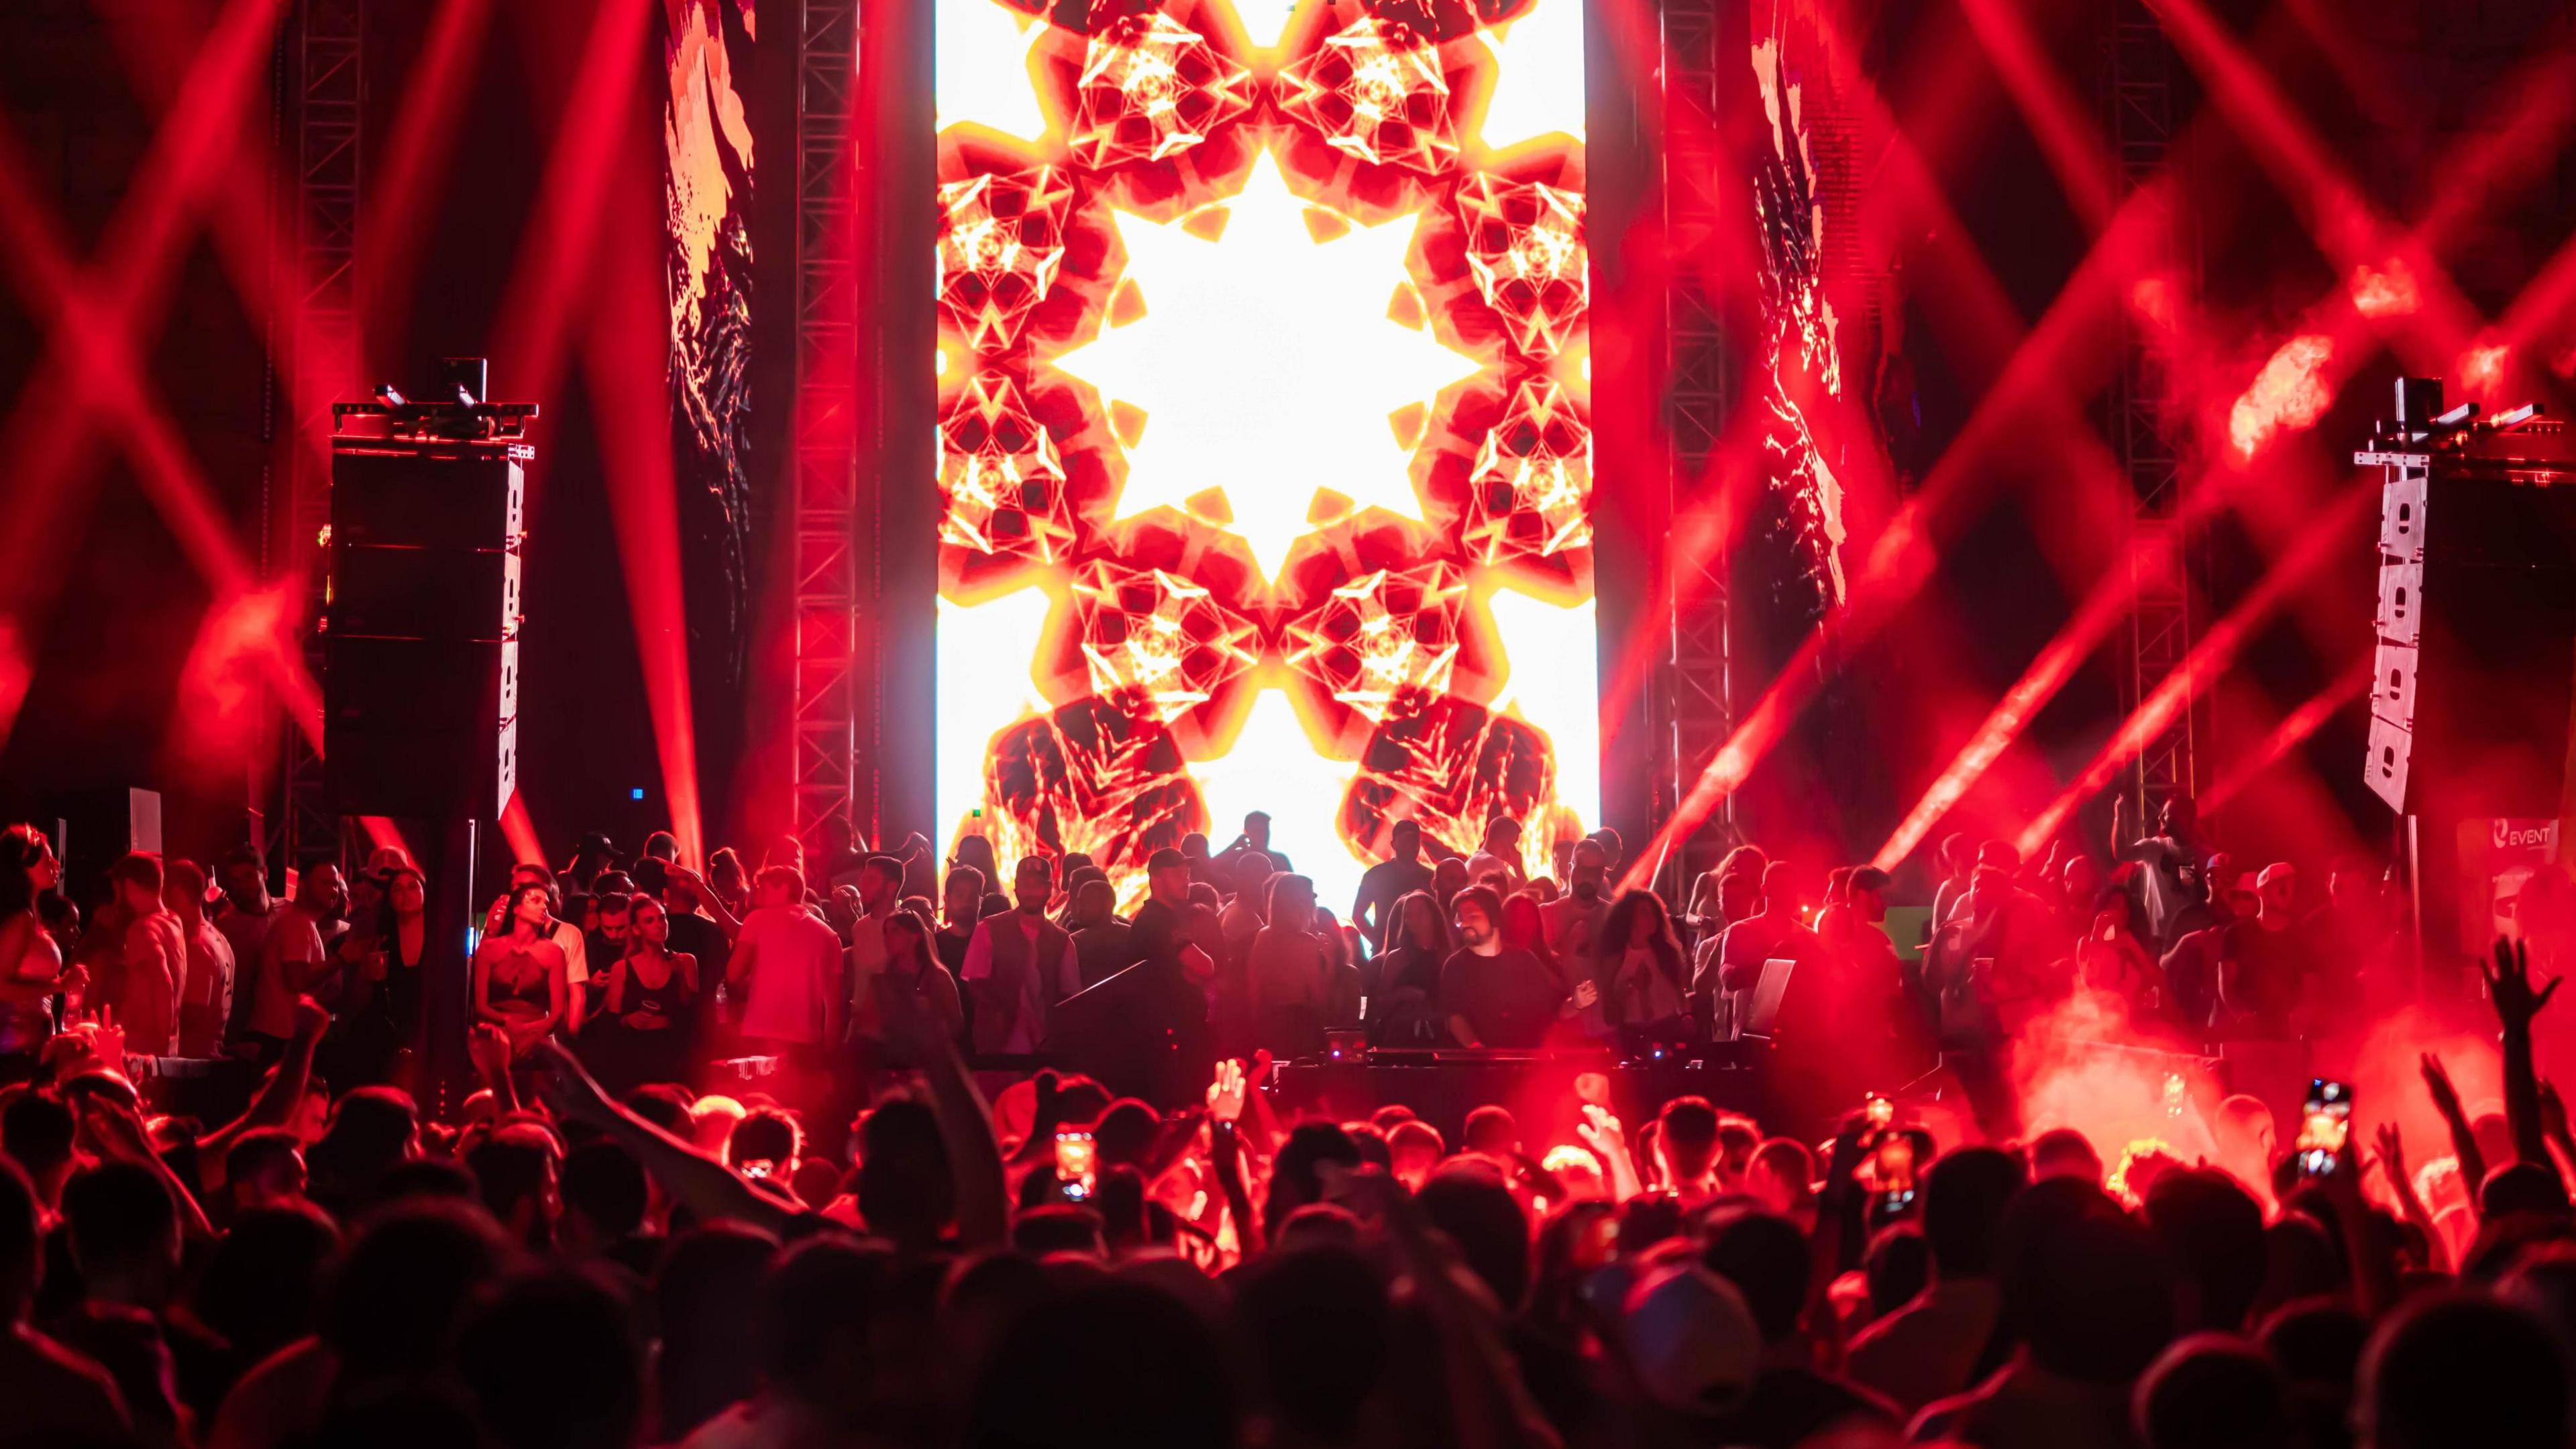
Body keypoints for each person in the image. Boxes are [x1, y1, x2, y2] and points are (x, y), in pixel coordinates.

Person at [724, 865, 848, 1079]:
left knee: (760, 1105)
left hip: (760, 1033)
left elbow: (733, 974)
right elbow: (834, 1007)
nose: (757, 895)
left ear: (783, 889)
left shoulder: (756, 920)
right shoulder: (828, 936)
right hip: (806, 1040)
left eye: (763, 889)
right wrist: (829, 1056)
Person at [961, 855, 1080, 1055]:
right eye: (1026, 884)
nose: (1032, 891)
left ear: (1049, 889)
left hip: (1045, 1050)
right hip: (997, 1049)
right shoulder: (988, 930)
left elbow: (1070, 997)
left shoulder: (1062, 940)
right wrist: (998, 1015)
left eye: (1038, 885)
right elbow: (976, 985)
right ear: (1016, 887)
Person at [1695, 859, 1820, 1036]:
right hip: (1751, 1040)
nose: (1788, 893)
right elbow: (1729, 980)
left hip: (1798, 1039)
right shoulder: (1741, 931)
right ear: (1765, 890)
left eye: (1792, 887)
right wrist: (1771, 963)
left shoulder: (1809, 936)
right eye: (1781, 886)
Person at [243, 861, 346, 1064]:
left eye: (335, 884)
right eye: (325, 883)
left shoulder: (302, 922)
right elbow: (297, 980)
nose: (333, 890)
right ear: (303, 886)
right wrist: (342, 959)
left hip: (282, 1037)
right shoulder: (297, 923)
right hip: (277, 1039)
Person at [1440, 886, 1565, 1049]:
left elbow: (1551, 1010)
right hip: (1479, 1068)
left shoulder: (1525, 960)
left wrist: (1576, 1003)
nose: (1465, 924)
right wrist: (1475, 1047)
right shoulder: (1455, 967)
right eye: (1460, 919)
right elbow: (1454, 1017)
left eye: (1472, 917)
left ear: (1494, 919)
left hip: (1525, 1064)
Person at [602, 895, 700, 1085]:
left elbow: (691, 1014)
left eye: (662, 917)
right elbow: (611, 1023)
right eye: (650, 920)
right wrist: (628, 1019)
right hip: (635, 1057)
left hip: (673, 1056)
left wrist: (679, 977)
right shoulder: (622, 969)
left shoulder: (685, 961)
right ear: (637, 929)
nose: (660, 924)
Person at [474, 883, 572, 1063]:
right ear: (517, 908)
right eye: (536, 900)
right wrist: (507, 1023)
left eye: (546, 903)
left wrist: (533, 1035)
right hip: (497, 1039)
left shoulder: (554, 952)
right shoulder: (488, 949)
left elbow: (558, 1012)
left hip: (539, 1040)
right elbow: (480, 1005)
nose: (544, 907)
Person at [0, 826, 68, 1076]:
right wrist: (60, 985)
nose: (54, 862)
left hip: (28, 1055)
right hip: (14, 1058)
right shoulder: (21, 920)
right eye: (47, 856)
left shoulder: (29, 916)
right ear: (24, 865)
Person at [1246, 874, 1340, 1058]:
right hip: (1299, 1026)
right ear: (1301, 903)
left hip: (1268, 1022)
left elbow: (1253, 987)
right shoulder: (1307, 943)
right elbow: (1320, 998)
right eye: (1312, 896)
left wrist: (1255, 1024)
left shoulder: (1263, 936)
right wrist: (1330, 963)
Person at [99, 853, 182, 1059]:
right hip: (161, 1046)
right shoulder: (173, 921)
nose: (117, 900)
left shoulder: (142, 930)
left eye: (117, 891)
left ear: (129, 887)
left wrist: (159, 1056)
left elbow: (164, 986)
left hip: (142, 1051)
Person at [855, 907, 963, 1048]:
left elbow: (957, 1026)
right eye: (886, 932)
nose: (888, 938)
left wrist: (929, 1018)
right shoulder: (880, 981)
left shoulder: (938, 977)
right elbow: (868, 1029)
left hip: (929, 1059)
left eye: (895, 931)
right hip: (892, 1061)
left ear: (915, 937)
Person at [2114, 794, 2208, 949]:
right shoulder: (2156, 848)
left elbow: (2197, 897)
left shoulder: (2203, 856)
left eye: (2166, 813)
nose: (2160, 817)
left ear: (2183, 818)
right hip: (2157, 940)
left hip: (2189, 942)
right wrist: (2120, 816)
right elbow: (2122, 853)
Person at [1591, 889, 1686, 1030]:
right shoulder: (1616, 958)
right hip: (1633, 1032)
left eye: (1653, 912)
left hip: (1668, 1027)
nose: (1651, 917)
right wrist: (1629, 988)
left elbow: (1680, 995)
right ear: (1628, 918)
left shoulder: (1666, 952)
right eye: (1644, 912)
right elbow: (1608, 1007)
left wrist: (1687, 1018)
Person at [1364, 890, 1450, 1046]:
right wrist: (1403, 994)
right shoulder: (1397, 958)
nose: (1413, 919)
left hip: (1440, 1035)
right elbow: (1376, 1006)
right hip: (1402, 1035)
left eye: (1420, 913)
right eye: (1408, 915)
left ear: (1434, 916)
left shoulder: (1447, 955)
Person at [1350, 820, 1434, 955]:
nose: (1411, 846)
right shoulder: (1375, 875)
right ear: (1393, 844)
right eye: (1406, 841)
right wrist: (1380, 943)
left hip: (1423, 953)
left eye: (1414, 841)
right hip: (1386, 954)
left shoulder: (1430, 878)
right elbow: (1358, 915)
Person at [1538, 838, 1611, 964]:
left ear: (1602, 874)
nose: (1588, 877)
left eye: (1595, 871)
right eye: (1583, 869)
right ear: (1570, 869)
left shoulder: (1615, 918)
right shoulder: (1544, 915)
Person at [1067, 878, 1136, 989]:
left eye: (1087, 902)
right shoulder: (1132, 934)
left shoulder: (1074, 943)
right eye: (1080, 903)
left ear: (1108, 904)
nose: (1080, 910)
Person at [934, 865, 985, 975]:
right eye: (959, 895)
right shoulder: (933, 947)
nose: (966, 901)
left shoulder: (990, 943)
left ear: (980, 901)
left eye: (972, 896)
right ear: (946, 900)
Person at [1463, 817, 1525, 892]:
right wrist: (1518, 867)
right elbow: (1527, 894)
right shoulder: (1490, 862)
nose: (1515, 848)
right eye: (1514, 843)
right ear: (1506, 840)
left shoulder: (1478, 858)